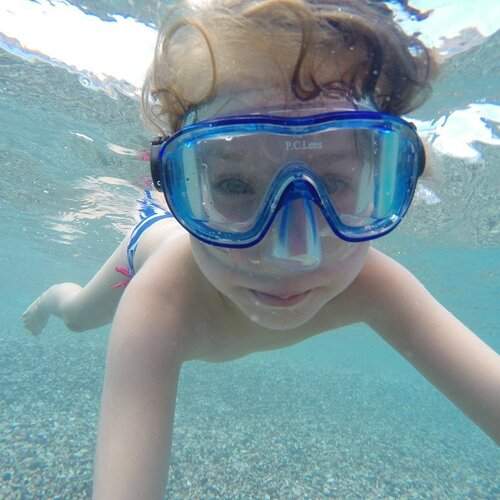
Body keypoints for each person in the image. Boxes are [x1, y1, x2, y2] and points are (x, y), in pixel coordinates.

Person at [22, 0, 500, 498]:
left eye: (336, 183)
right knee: (78, 315)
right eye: (233, 184)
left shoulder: (374, 286)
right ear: (177, 182)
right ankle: (53, 298)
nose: (293, 254)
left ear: (387, 179)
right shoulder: (158, 304)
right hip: (146, 245)